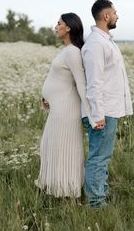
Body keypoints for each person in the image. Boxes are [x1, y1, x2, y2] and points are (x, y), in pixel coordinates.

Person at [35, 13, 95, 198]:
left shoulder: (73, 52)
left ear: (68, 27)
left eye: (59, 23)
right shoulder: (66, 50)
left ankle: (66, 190)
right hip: (58, 107)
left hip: (66, 110)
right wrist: (47, 98)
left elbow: (81, 84)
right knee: (50, 146)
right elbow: (61, 81)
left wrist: (93, 117)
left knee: (64, 149)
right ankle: (54, 188)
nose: (56, 26)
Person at [81, 0, 133, 207]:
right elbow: (94, 83)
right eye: (115, 12)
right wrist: (98, 114)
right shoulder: (95, 44)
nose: (117, 15)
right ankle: (96, 203)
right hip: (103, 111)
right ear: (105, 16)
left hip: (108, 109)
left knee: (104, 155)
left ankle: (101, 193)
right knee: (98, 157)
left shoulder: (104, 41)